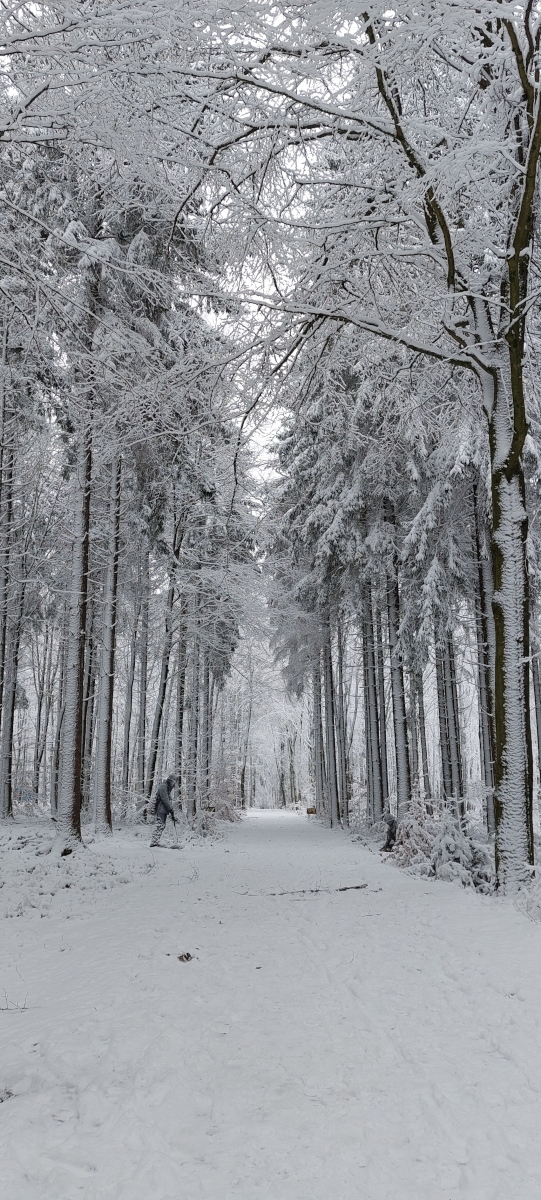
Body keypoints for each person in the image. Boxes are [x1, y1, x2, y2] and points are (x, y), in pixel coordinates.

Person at [150, 775, 177, 847]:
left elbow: (167, 800)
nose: (174, 784)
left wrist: (171, 810)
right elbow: (165, 799)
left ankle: (155, 841)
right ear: (170, 781)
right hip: (160, 809)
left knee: (162, 825)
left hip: (164, 810)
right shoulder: (163, 787)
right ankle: (154, 842)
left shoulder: (167, 788)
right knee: (160, 824)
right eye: (173, 782)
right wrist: (171, 809)